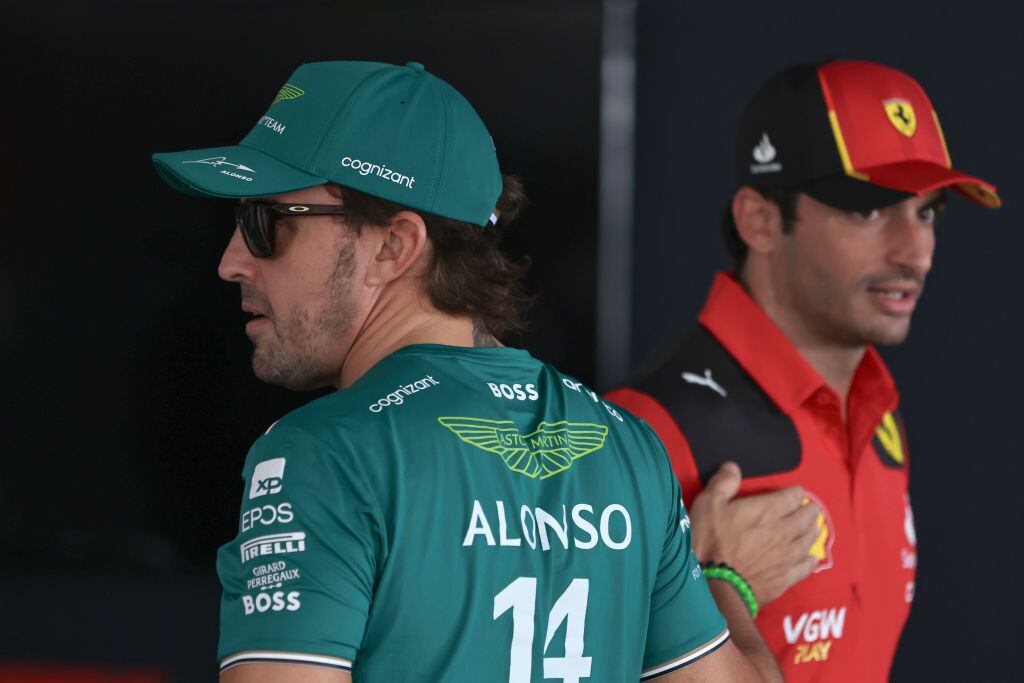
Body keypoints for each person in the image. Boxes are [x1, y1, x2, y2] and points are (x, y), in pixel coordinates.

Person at [153, 60, 784, 682]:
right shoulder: (630, 450)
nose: (232, 262)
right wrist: (726, 583)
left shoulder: (323, 454)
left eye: (265, 224)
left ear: (394, 246)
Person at [606, 59, 1000, 682]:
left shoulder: (877, 413)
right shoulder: (640, 435)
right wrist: (715, 591)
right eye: (871, 210)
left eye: (929, 212)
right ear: (760, 220)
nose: (915, 252)